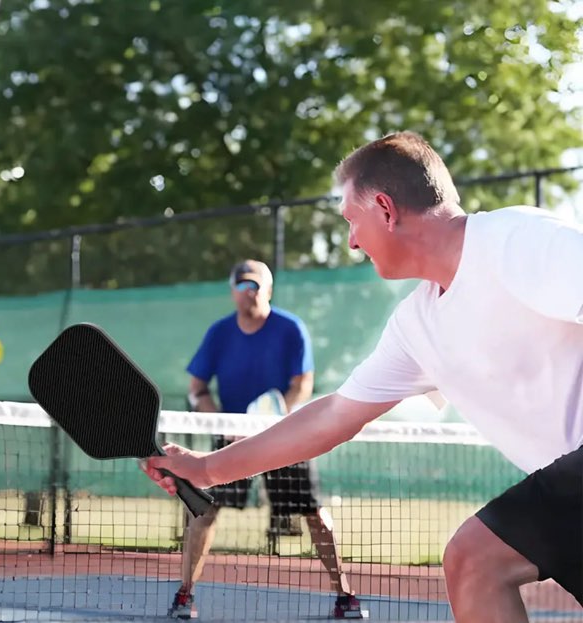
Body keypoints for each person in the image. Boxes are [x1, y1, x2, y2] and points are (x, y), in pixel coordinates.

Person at [142, 132, 583, 623]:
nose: (351, 239)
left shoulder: (516, 240)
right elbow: (334, 415)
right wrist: (206, 470)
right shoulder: (417, 326)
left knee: (475, 558)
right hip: (568, 489)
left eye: (352, 221)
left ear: (385, 209)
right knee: (474, 565)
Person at [167, 259, 362, 620]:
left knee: (315, 513)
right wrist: (224, 425)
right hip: (232, 438)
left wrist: (270, 421)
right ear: (232, 292)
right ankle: (184, 596)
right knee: (203, 508)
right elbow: (197, 388)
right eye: (241, 286)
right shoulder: (219, 333)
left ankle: (344, 595)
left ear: (268, 289)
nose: (248, 293)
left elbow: (301, 384)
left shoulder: (290, 328)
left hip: (285, 436)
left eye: (254, 286)